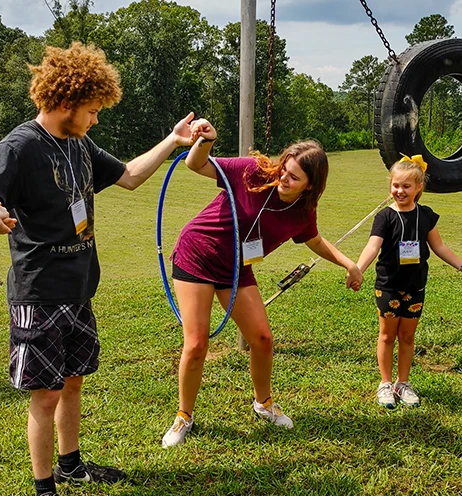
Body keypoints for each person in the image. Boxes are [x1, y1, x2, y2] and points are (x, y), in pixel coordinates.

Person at [0, 42, 198, 496]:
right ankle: (45, 492)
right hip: (38, 292)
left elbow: (127, 176)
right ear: (65, 103)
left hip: (80, 287)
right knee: (44, 394)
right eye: (92, 111)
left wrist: (173, 139)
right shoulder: (19, 147)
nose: (96, 120)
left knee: (72, 383)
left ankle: (70, 465)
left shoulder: (79, 143)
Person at [161, 118, 363, 448]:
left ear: (309, 186)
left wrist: (348, 263)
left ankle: (263, 403)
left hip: (237, 268)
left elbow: (313, 240)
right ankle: (184, 415)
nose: (283, 177)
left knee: (263, 338)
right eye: (284, 169)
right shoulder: (252, 171)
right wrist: (206, 141)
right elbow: (194, 164)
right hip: (197, 253)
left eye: (294, 177)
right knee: (197, 344)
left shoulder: (302, 210)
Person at [356, 155, 462, 410]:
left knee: (407, 336)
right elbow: (373, 246)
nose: (399, 191)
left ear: (418, 188)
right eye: (395, 185)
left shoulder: (426, 216)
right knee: (386, 336)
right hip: (388, 286)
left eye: (406, 186)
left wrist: (459, 264)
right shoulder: (385, 217)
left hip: (416, 287)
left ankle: (403, 383)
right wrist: (357, 269)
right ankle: (385, 383)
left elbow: (438, 246)